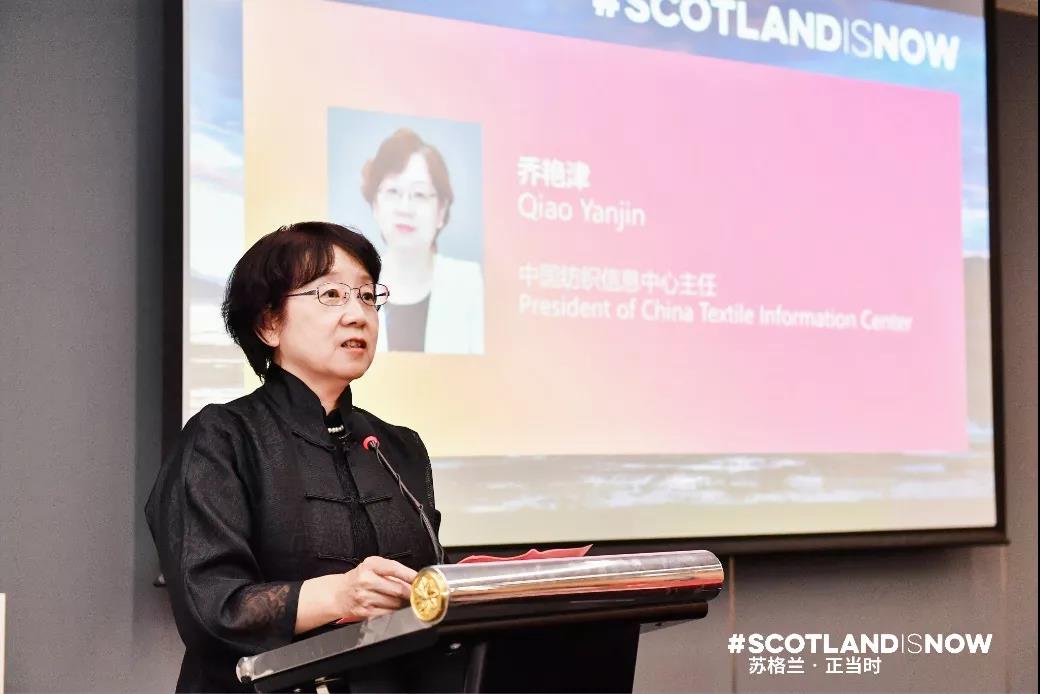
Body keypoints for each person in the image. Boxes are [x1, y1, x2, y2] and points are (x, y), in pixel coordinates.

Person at [146, 222, 445, 692]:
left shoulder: (399, 447)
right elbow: (213, 608)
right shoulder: (221, 438)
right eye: (332, 295)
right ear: (269, 323)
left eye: (368, 296)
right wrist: (339, 595)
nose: (358, 315)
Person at [361, 128, 484, 354]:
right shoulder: (353, 289)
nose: (405, 208)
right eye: (393, 192)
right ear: (375, 205)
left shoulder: (469, 284)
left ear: (441, 210)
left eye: (419, 194)